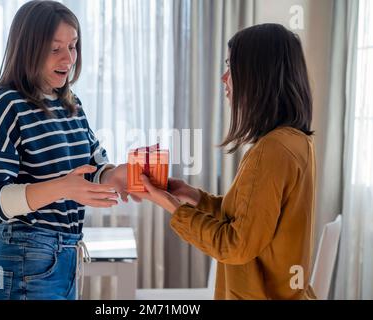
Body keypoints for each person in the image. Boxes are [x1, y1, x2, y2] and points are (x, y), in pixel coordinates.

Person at [131, 23, 317, 300]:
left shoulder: (272, 151)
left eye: (232, 67)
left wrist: (171, 206)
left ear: (258, 76)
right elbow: (251, 221)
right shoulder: (296, 142)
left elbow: (236, 245)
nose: (224, 77)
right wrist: (191, 195)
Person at [0, 0, 129, 300]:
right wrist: (62, 188)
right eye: (55, 48)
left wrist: (115, 174)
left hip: (65, 261)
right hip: (24, 262)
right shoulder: (5, 106)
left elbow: (93, 168)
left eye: (73, 46)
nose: (68, 59)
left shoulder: (71, 105)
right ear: (28, 48)